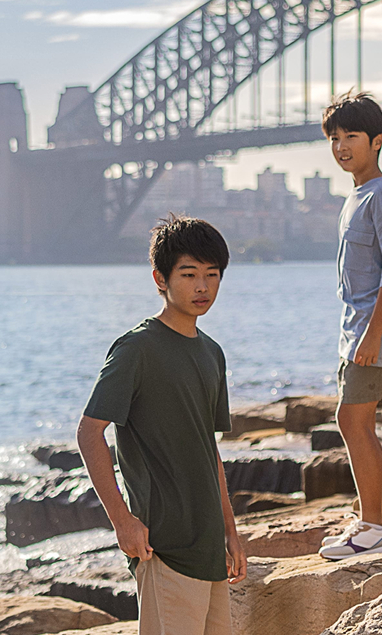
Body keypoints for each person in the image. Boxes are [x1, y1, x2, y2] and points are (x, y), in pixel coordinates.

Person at [77, 216, 248, 635]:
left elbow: (208, 450)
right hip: (163, 546)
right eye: (189, 275)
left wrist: (230, 531)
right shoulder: (136, 348)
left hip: (209, 546)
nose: (202, 287)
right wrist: (122, 521)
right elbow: (88, 432)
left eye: (212, 275)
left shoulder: (212, 353)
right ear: (160, 277)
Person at [318, 91, 382, 560]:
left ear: (377, 141)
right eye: (335, 138)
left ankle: (376, 525)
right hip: (357, 333)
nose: (342, 146)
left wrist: (373, 335)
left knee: (352, 421)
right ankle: (375, 521)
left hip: (371, 334)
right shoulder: (357, 196)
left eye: (352, 137)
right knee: (357, 422)